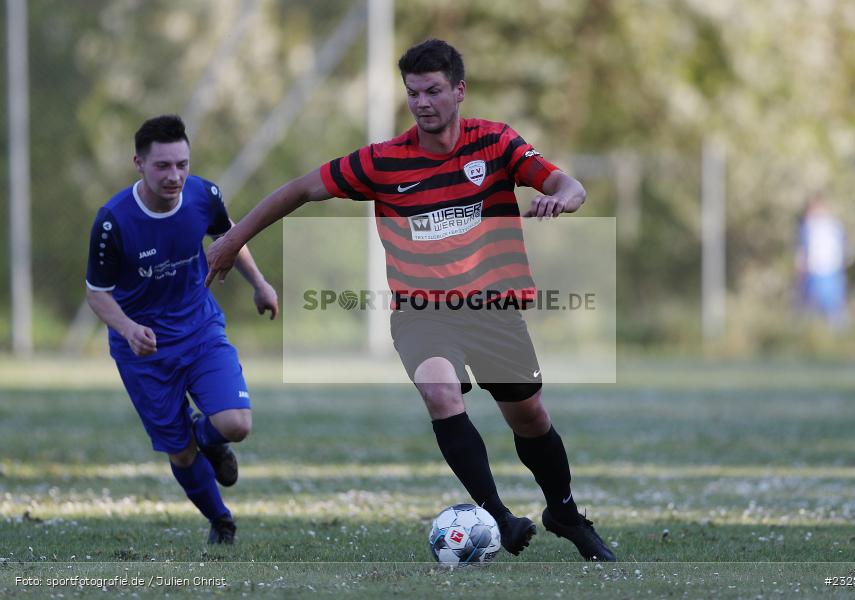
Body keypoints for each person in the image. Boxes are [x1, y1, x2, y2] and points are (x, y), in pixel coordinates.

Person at [206, 39, 616, 561]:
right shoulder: (383, 161)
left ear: (459, 91)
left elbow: (567, 182)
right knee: (442, 393)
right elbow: (301, 189)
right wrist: (235, 237)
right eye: (413, 92)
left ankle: (563, 512)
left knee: (530, 416)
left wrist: (562, 197)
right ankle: (498, 516)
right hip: (421, 312)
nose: (422, 102)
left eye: (434, 90)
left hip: (492, 308)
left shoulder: (495, 143)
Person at [85, 114, 279, 544]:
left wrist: (260, 284)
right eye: (162, 166)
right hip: (144, 350)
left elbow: (229, 239)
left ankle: (210, 439)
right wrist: (128, 328)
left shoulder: (203, 195)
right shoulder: (113, 220)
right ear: (138, 162)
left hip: (199, 329)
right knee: (180, 449)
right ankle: (221, 522)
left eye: (182, 164)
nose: (174, 176)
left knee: (236, 424)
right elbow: (97, 293)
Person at [795, 193, 847, 328]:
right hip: (814, 272)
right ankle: (813, 336)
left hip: (831, 272)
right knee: (811, 308)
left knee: (833, 309)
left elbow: (842, 249)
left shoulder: (833, 226)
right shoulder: (809, 226)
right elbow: (803, 252)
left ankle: (833, 336)